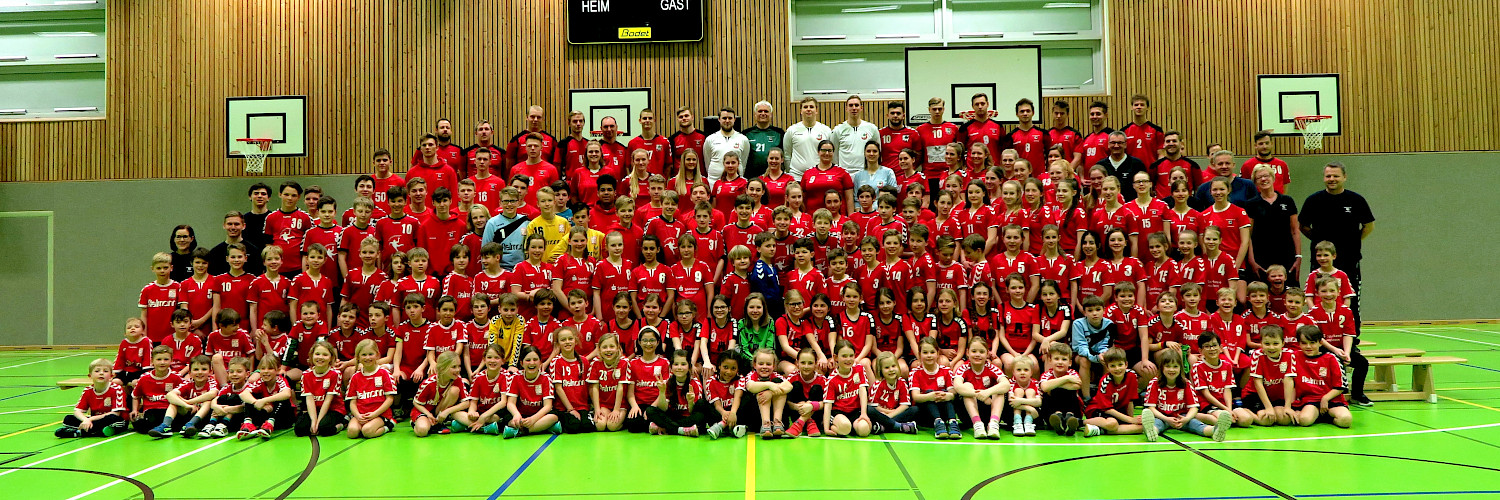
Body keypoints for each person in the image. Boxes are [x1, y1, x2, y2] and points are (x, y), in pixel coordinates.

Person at [1299, 162, 1374, 321]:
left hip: (1349, 261)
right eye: (1328, 176)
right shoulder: (1313, 200)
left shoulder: (1356, 200)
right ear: (1324, 178)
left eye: (1336, 176)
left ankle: (1352, 342)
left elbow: (1368, 226)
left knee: (1349, 301)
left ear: (1344, 177)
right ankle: (1320, 339)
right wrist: (1321, 243)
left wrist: (1353, 241)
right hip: (1321, 263)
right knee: (1319, 299)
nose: (1331, 179)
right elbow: (1303, 226)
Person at [1141, 348, 1230, 442]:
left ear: (1180, 368)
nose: (1172, 369)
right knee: (1156, 424)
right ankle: (1151, 431)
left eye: (1175, 366)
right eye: (1168, 366)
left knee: (1196, 425)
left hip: (1182, 417)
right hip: (1162, 417)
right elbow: (1151, 408)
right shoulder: (1154, 383)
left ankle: (1215, 431)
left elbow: (1194, 408)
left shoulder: (1186, 384)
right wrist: (1166, 419)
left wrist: (1186, 419)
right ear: (1162, 367)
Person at [1293, 326, 1353, 428]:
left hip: (1332, 400)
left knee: (1345, 420)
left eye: (1312, 343)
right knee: (1304, 420)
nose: (1308, 346)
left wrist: (1325, 398)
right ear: (1298, 343)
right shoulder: (1295, 357)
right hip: (1310, 401)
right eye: (1304, 343)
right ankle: (1316, 415)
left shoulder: (1331, 358)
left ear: (1320, 342)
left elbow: (1340, 386)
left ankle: (1328, 417)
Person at [56, 358, 130, 438]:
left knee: (113, 419)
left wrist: (91, 419)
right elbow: (77, 411)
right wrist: (85, 420)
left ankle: (80, 432)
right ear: (90, 376)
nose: (101, 373)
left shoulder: (116, 389)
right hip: (94, 420)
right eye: (97, 371)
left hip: (113, 419)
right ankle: (95, 431)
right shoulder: (88, 390)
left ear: (111, 376)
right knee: (68, 419)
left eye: (105, 371)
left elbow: (115, 413)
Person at [1080, 348, 1143, 437]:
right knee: (1112, 424)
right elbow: (1108, 409)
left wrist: (1132, 420)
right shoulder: (1105, 382)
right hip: (1098, 409)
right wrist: (1130, 420)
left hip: (1117, 410)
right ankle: (1080, 422)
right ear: (1107, 367)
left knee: (1140, 427)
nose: (1117, 369)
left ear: (1126, 364)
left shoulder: (1132, 376)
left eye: (1120, 364)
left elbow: (1130, 401)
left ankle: (1100, 430)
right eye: (1113, 366)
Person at [265, 181, 312, 277]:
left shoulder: (305, 217)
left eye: (293, 195)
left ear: (298, 197)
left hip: (298, 268)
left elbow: (310, 244)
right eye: (286, 194)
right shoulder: (271, 217)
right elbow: (268, 245)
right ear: (280, 194)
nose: (290, 198)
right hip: (277, 268)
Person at [915, 97, 960, 196]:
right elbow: (919, 153)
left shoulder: (953, 128)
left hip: (949, 175)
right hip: (929, 175)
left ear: (943, 109)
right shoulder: (920, 130)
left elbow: (958, 153)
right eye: (934, 109)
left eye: (940, 109)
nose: (937, 111)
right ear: (929, 110)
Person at [782, 97, 833, 179]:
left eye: (811, 107)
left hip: (819, 175)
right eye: (805, 107)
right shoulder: (792, 130)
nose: (808, 109)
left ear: (816, 110)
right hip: (797, 176)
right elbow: (787, 155)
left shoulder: (826, 130)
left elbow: (831, 154)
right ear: (801, 111)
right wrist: (790, 172)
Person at [831, 95, 881, 175]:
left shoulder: (872, 129)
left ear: (861, 108)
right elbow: (834, 155)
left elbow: (878, 152)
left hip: (865, 173)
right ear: (846, 108)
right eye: (851, 105)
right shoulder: (838, 130)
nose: (854, 108)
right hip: (845, 174)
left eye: (856, 105)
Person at [505, 105, 557, 176]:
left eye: (538, 117)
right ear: (527, 117)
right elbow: (509, 168)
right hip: (522, 180)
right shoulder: (516, 140)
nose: (535, 120)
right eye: (532, 116)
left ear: (543, 119)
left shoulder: (551, 140)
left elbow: (556, 165)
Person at [956, 93, 1006, 164]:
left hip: (994, 170)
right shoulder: (965, 128)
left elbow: (1004, 150)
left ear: (987, 104)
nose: (980, 106)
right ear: (972, 106)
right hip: (972, 171)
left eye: (982, 104)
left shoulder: (998, 126)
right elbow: (960, 151)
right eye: (977, 104)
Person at [1095, 131, 1148, 200]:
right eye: (1113, 143)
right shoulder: (1101, 165)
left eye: (1120, 143)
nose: (1116, 146)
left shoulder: (1137, 164)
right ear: (1108, 144)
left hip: (1131, 207)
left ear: (1125, 144)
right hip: (1107, 207)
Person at [704, 108, 751, 184]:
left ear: (734, 119)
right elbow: (707, 161)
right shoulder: (710, 139)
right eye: (724, 118)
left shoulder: (743, 139)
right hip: (713, 182)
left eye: (730, 118)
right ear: (719, 119)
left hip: (736, 183)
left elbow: (743, 161)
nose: (727, 121)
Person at [1149, 131, 1200, 199]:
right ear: (1163, 144)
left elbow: (1198, 189)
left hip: (1186, 206)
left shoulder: (1192, 165)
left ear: (1181, 144)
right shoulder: (1155, 166)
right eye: (1168, 141)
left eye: (1174, 141)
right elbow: (1150, 188)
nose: (1171, 143)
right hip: (1163, 207)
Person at [628, 108, 673, 177]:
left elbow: (668, 166)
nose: (647, 120)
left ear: (654, 120)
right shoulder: (632, 143)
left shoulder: (664, 142)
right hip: (639, 183)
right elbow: (629, 166)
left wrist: (663, 181)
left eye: (650, 118)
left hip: (658, 184)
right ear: (640, 121)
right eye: (645, 118)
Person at [1120, 95, 1164, 165]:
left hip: (1151, 171)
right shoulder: (1124, 131)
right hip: (1131, 171)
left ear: (1147, 108)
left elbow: (1161, 154)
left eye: (1142, 105)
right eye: (1136, 105)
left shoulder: (1157, 130)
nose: (1139, 107)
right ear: (1132, 108)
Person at [668, 106, 707, 177]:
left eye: (686, 116)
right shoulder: (672, 139)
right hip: (680, 180)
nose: (684, 118)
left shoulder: (704, 137)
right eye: (681, 117)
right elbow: (670, 164)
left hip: (700, 179)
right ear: (677, 119)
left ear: (692, 117)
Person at [1046, 101, 1084, 171]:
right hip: (1052, 174)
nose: (1059, 116)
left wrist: (1066, 172)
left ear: (1067, 114)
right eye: (1056, 113)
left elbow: (1077, 158)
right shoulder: (1047, 134)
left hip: (1068, 174)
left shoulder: (1075, 134)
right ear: (1052, 114)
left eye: (1062, 113)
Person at [1079, 101, 1113, 168]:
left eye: (1098, 114)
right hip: (1088, 178)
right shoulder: (1086, 138)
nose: (1094, 117)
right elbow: (1081, 162)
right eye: (1092, 114)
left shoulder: (1112, 136)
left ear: (1106, 115)